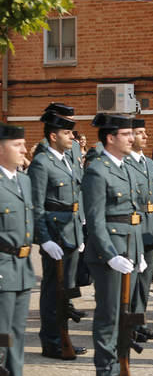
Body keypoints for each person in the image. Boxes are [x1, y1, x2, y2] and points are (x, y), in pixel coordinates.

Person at [83, 113, 146, 376]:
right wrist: (110, 254)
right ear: (110, 138)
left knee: (126, 312)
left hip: (130, 248)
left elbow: (134, 214)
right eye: (126, 134)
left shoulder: (128, 168)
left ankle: (123, 364)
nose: (132, 138)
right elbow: (95, 220)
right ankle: (105, 369)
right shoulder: (98, 170)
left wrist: (140, 252)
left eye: (132, 133)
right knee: (109, 313)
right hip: (110, 252)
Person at [28, 109, 88, 360]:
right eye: (66, 133)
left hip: (72, 231)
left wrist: (81, 227)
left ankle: (64, 337)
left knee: (67, 290)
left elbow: (77, 194)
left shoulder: (67, 160)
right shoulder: (43, 163)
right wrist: (45, 239)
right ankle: (52, 341)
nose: (72, 137)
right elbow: (37, 206)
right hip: (54, 234)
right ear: (53, 136)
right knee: (53, 289)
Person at [0, 123, 40, 376]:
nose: (24, 150)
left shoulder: (23, 181)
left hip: (23, 266)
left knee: (16, 334)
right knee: (1, 335)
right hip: (2, 267)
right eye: (18, 145)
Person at [125, 119, 153, 343]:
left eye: (145, 132)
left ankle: (140, 320)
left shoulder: (149, 163)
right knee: (131, 279)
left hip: (150, 225)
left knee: (146, 279)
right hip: (134, 225)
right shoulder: (125, 163)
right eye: (140, 133)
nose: (145, 136)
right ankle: (129, 323)